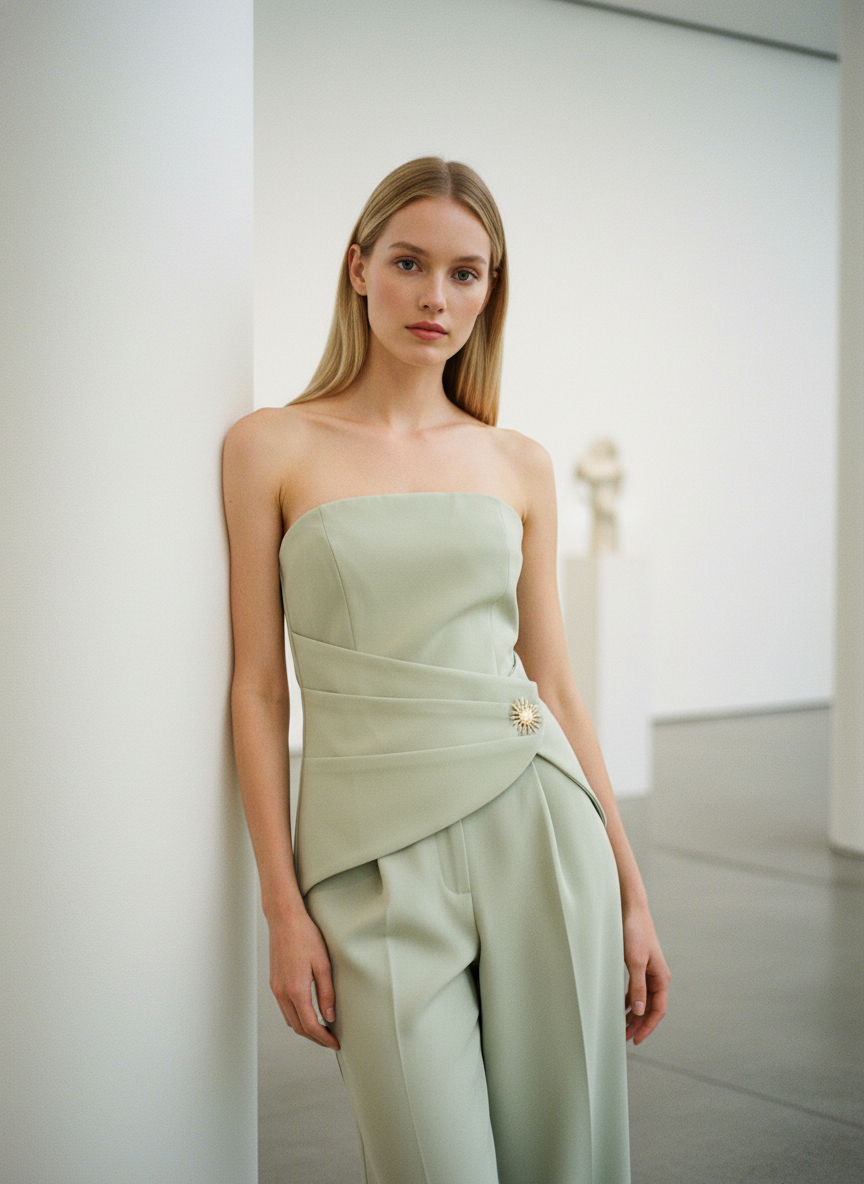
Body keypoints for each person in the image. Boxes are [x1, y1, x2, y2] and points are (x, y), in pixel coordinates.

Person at [222, 156, 670, 1184]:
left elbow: (553, 683)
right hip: (370, 859)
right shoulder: (269, 447)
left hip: (540, 824)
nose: (437, 296)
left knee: (572, 1155)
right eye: (411, 262)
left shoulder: (519, 462)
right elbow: (257, 686)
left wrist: (634, 892)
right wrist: (282, 908)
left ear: (492, 290)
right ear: (358, 268)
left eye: (468, 273)